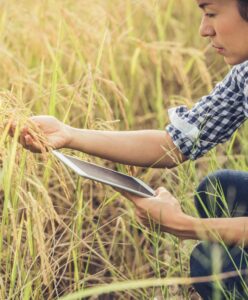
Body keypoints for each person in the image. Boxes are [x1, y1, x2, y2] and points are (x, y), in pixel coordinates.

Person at [12, 0, 248, 299]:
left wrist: (182, 225)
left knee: (216, 271)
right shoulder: (245, 73)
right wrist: (68, 134)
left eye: (211, 13)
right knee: (220, 190)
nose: (204, 30)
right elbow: (173, 144)